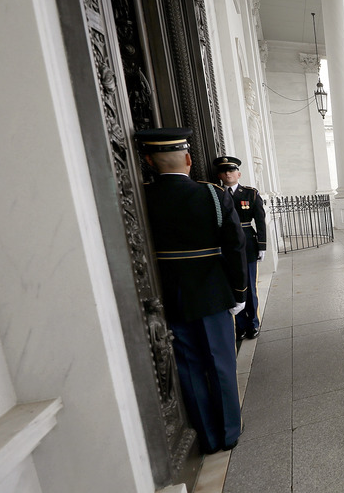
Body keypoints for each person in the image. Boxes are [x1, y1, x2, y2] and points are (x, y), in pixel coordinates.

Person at [133, 128, 248, 455]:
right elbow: (236, 245)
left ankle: (209, 438)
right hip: (212, 291)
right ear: (188, 158)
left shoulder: (142, 198)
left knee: (189, 366)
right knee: (220, 362)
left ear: (148, 161)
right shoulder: (212, 194)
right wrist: (239, 292)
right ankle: (229, 432)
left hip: (168, 294)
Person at [214, 155, 266, 340]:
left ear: (239, 173)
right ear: (219, 174)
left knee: (249, 286)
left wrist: (262, 245)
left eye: (231, 170)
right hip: (225, 245)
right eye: (224, 171)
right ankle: (240, 326)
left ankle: (252, 323)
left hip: (247, 244)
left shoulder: (250, 193)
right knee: (232, 285)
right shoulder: (215, 193)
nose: (228, 174)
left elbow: (260, 220)